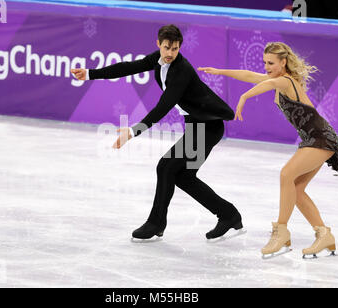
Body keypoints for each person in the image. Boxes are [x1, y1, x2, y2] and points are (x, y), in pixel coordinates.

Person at [71, 25, 243, 240]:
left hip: (208, 126)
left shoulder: (182, 71)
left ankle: (156, 223)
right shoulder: (158, 59)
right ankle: (228, 215)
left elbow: (164, 106)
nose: (170, 53)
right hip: (198, 125)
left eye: (175, 49)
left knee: (166, 167)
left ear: (180, 47)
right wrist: (89, 74)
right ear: (158, 44)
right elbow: (127, 67)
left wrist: (133, 132)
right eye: (166, 47)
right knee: (184, 177)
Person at [199, 42, 338, 258]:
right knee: (296, 190)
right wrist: (220, 72)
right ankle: (324, 235)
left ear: (283, 62)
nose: (266, 67)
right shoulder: (277, 79)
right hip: (315, 138)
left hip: (320, 138)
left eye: (271, 63)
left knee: (286, 174)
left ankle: (281, 232)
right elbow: (250, 75)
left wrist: (244, 97)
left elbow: (264, 85)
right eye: (265, 62)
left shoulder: (285, 80)